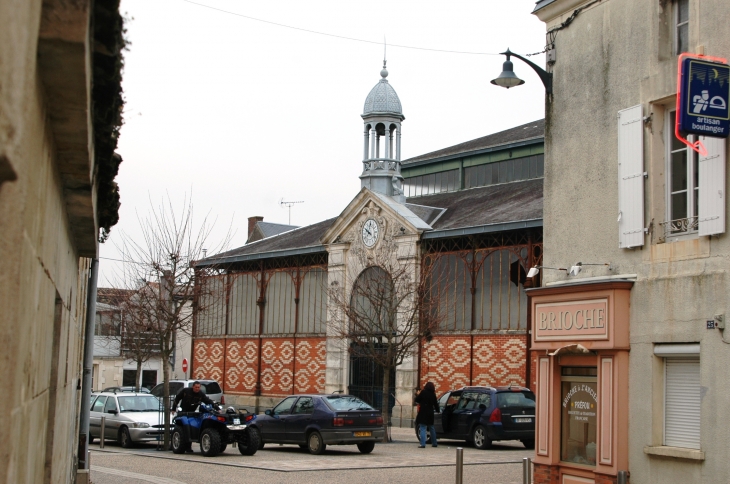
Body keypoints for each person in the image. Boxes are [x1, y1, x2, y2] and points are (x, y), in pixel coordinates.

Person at [415, 381, 439, 448]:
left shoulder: (423, 392)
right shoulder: (433, 394)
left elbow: (417, 400)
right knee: (431, 427)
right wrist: (438, 410)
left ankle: (423, 444)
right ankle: (434, 443)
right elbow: (436, 404)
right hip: (430, 412)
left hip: (423, 412)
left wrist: (418, 395)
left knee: (423, 428)